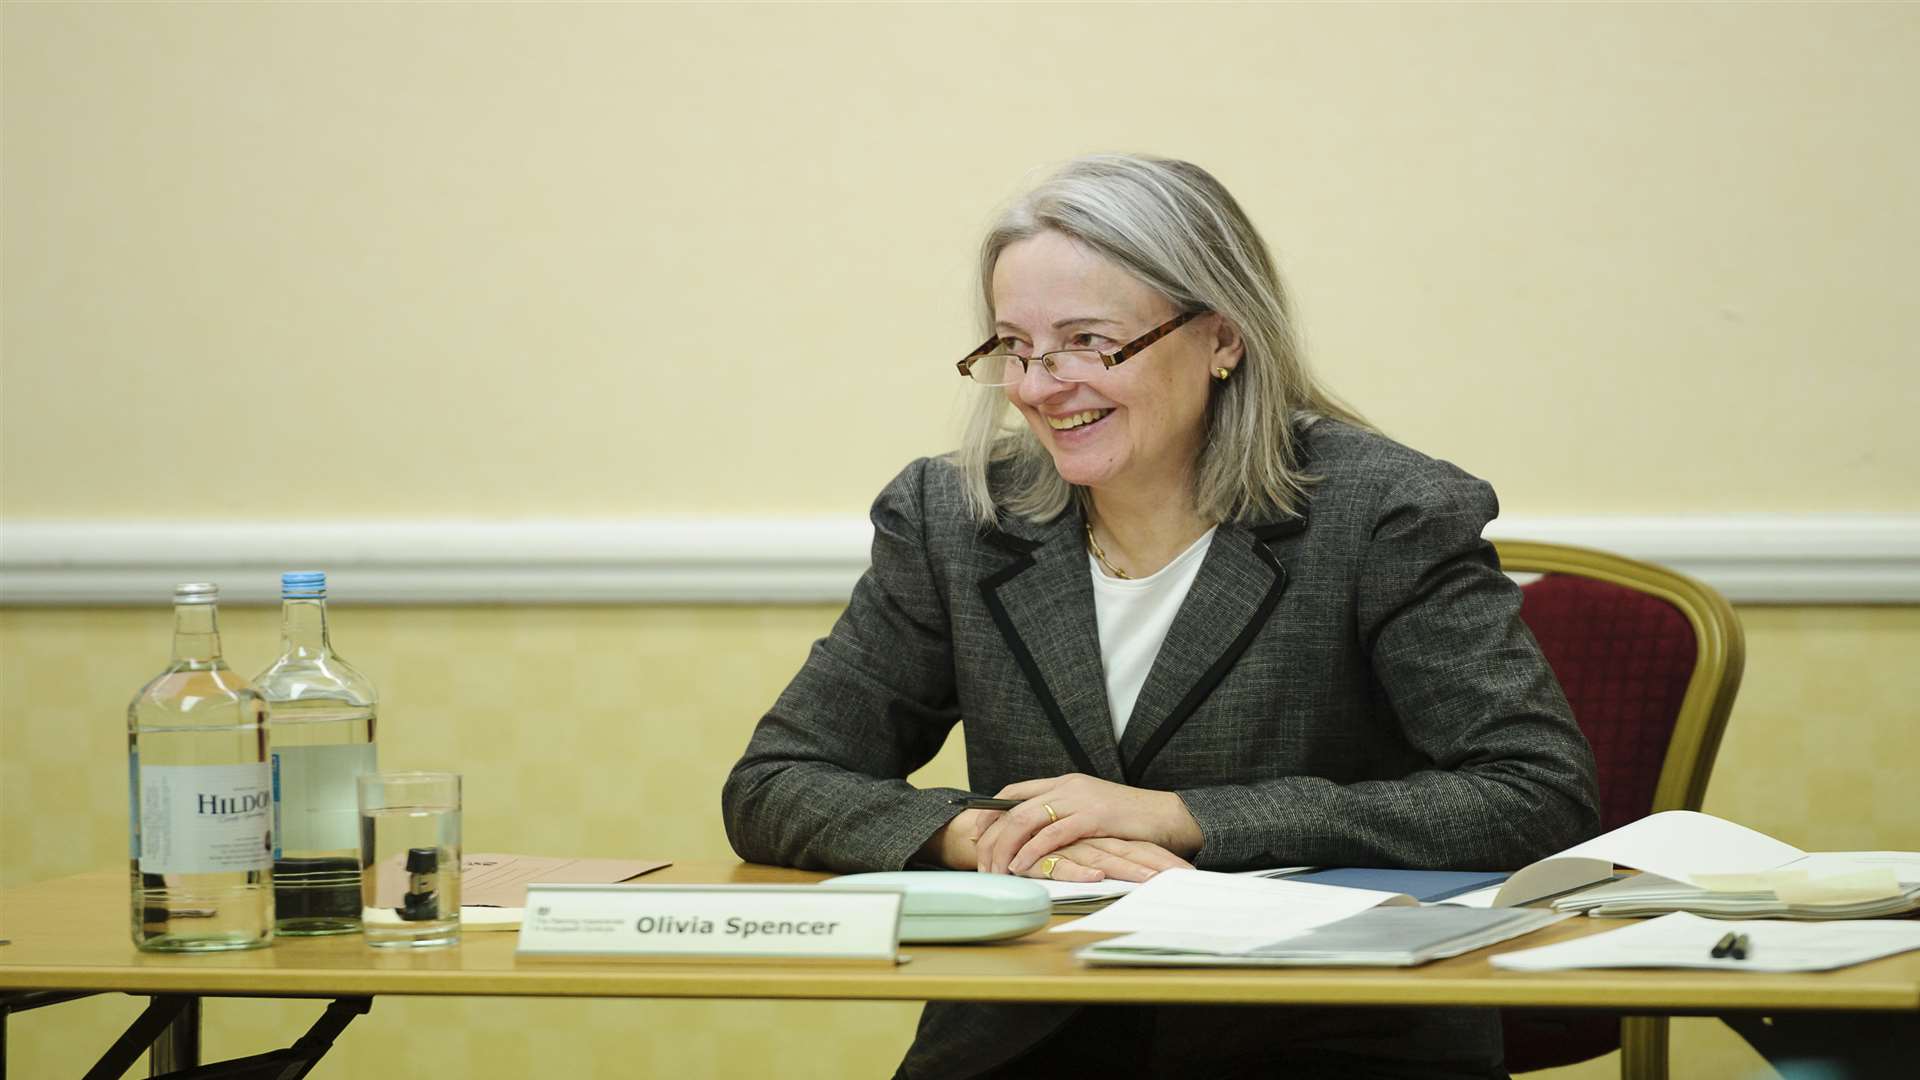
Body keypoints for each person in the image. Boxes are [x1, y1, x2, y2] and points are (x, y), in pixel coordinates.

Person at [722, 154, 1600, 1079]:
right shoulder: (956, 520)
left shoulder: (1383, 512)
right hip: (1029, 1029)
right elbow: (778, 780)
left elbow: (1536, 795)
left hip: (1320, 1026)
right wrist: (983, 835)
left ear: (1221, 337)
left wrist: (1186, 819)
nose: (1037, 385)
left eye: (1088, 342)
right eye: (1014, 347)